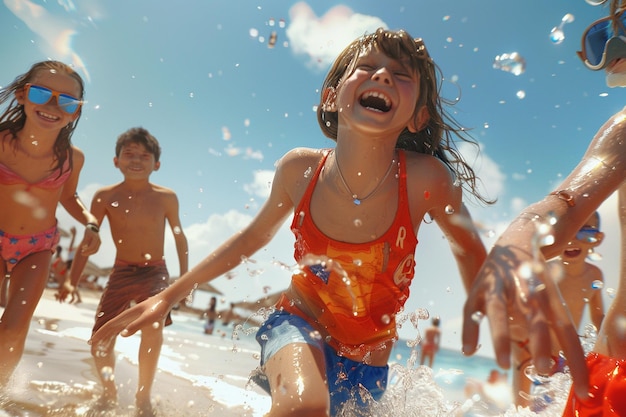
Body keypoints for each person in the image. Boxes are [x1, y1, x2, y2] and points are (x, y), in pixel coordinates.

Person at [92, 28, 491, 417]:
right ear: (332, 97)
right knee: (303, 406)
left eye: (401, 75)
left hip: (369, 360)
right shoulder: (301, 170)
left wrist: (486, 311)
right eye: (367, 67)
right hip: (296, 325)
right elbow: (249, 240)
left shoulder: (428, 180)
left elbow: (471, 251)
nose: (383, 75)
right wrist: (168, 295)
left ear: (418, 117)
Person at [462, 1, 626, 414]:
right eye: (608, 33)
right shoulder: (623, 133)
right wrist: (517, 244)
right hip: (615, 383)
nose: (615, 45)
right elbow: (560, 208)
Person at [59, 127, 189, 416]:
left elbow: (179, 236)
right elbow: (88, 238)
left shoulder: (167, 197)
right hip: (121, 272)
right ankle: (109, 393)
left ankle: (143, 399)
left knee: (153, 327)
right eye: (129, 154)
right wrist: (71, 281)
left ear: (157, 164)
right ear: (115, 161)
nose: (136, 160)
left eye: (145, 155)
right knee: (100, 338)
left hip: (155, 272)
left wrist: (184, 280)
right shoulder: (105, 196)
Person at [0, 60, 100, 388]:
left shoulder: (73, 158)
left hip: (37, 247)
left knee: (14, 327)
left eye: (67, 101)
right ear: (21, 95)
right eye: (42, 93)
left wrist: (90, 222)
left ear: (75, 113)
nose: (54, 105)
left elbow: (69, 198)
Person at [512, 211, 605, 409]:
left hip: (566, 361)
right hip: (534, 353)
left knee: (556, 408)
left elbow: (599, 319)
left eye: (585, 232)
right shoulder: (547, 271)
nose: (572, 238)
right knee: (521, 409)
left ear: (597, 239)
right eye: (564, 232)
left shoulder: (594, 276)